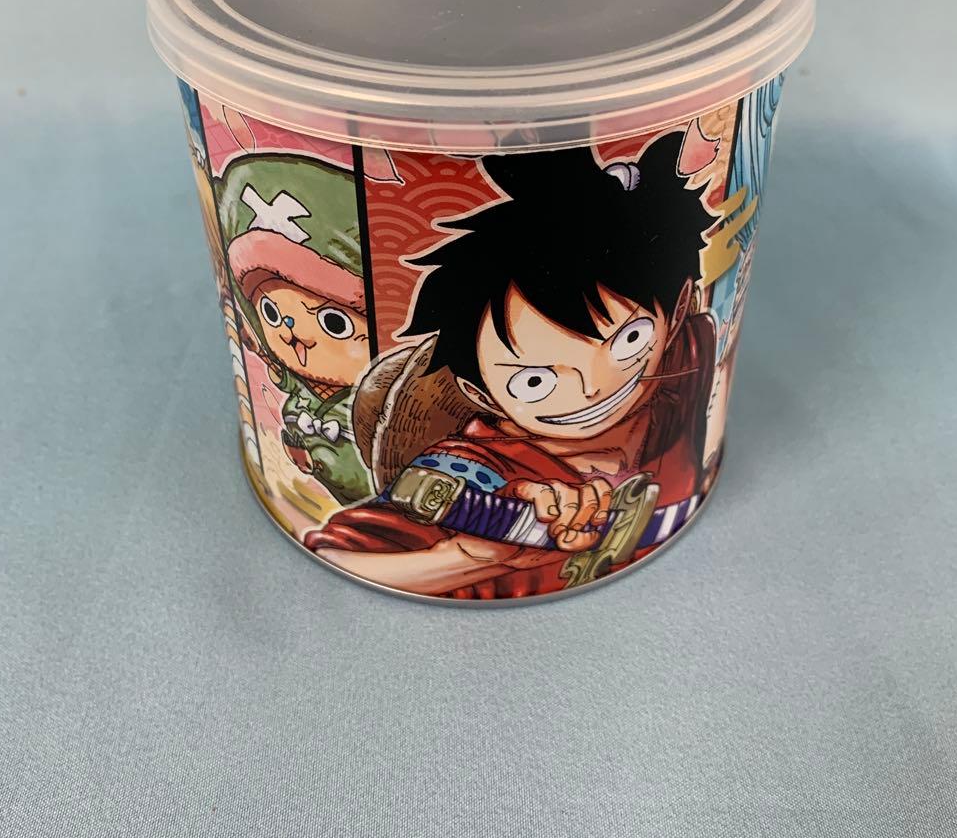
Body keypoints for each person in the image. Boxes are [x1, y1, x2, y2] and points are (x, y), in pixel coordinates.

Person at [305, 132, 717, 598]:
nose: (592, 388)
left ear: (675, 314)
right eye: (535, 381)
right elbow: (335, 553)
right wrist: (469, 557)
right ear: (479, 392)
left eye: (628, 340)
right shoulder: (473, 476)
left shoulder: (679, 369)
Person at [218, 154, 375, 506]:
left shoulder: (371, 403)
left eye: (334, 322)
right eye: (271, 313)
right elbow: (283, 377)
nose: (292, 333)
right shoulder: (303, 387)